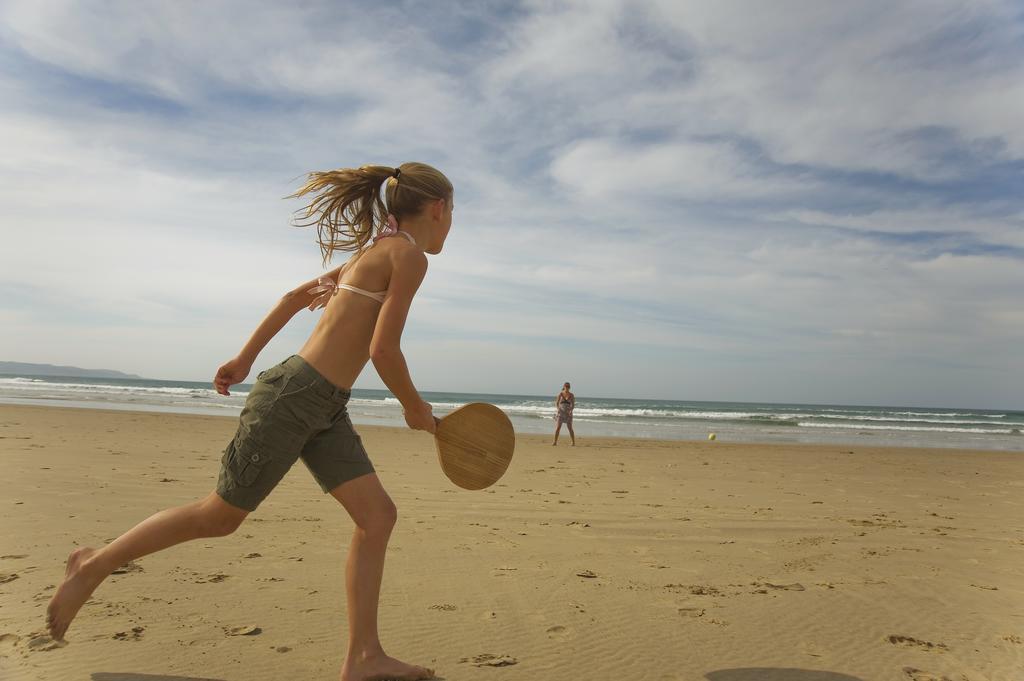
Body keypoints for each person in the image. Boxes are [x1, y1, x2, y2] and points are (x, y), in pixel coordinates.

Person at [46, 163, 453, 681]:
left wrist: (244, 359)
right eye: (452, 213)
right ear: (438, 208)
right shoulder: (407, 256)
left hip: (322, 403)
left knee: (377, 518)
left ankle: (363, 658)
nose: (449, 224)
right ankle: (93, 563)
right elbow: (383, 349)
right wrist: (414, 408)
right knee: (219, 516)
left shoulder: (371, 254)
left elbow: (292, 299)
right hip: (296, 397)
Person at [553, 381, 575, 446]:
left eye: (568, 387)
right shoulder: (560, 394)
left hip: (568, 413)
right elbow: (557, 403)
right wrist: (558, 409)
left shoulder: (571, 395)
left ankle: (573, 442)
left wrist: (571, 410)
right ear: (564, 387)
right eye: (566, 386)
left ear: (569, 387)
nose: (567, 388)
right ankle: (555, 442)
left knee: (570, 428)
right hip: (561, 413)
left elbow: (573, 404)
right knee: (558, 427)